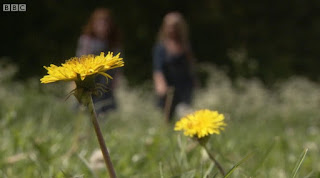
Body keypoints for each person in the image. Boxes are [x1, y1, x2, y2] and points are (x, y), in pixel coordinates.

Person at [76, 8, 122, 115]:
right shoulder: (86, 40)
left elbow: (118, 64)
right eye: (99, 24)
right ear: (93, 24)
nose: (102, 27)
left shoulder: (114, 43)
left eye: (105, 24)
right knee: (84, 110)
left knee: (104, 111)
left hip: (106, 82)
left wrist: (117, 79)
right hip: (89, 78)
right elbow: (80, 60)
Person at [153, 12, 196, 121]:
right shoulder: (161, 47)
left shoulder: (185, 46)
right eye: (169, 26)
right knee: (167, 117)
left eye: (175, 27)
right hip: (168, 88)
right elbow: (157, 68)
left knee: (185, 113)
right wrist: (160, 84)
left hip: (184, 87)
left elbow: (190, 65)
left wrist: (195, 80)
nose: (172, 29)